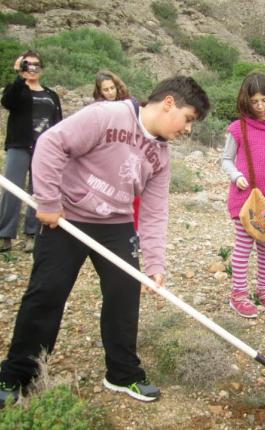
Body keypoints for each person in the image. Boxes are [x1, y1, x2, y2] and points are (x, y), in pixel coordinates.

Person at [0, 76, 210, 408]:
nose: (187, 129)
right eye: (188, 119)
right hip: (68, 218)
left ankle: (122, 373)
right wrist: (49, 202)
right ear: (169, 103)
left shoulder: (162, 156)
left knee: (124, 297)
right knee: (46, 294)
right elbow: (52, 144)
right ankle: (17, 374)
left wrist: (154, 263)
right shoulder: (106, 115)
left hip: (116, 225)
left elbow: (155, 213)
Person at [222, 71, 265, 318]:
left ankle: (264, 290)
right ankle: (238, 294)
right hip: (245, 201)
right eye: (254, 101)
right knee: (243, 248)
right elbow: (226, 159)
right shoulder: (237, 128)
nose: (260, 106)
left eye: (264, 100)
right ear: (246, 101)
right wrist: (236, 176)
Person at [0, 51, 62, 253]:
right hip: (19, 145)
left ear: (42, 68)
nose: (32, 68)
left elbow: (59, 124)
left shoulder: (51, 95)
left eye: (36, 65)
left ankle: (32, 235)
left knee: (38, 191)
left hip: (44, 151)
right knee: (12, 189)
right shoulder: (17, 89)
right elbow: (7, 102)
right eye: (28, 65)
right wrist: (19, 76)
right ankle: (5, 235)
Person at [92, 70, 141, 230]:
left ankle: (134, 230)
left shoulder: (131, 104)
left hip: (130, 151)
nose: (110, 92)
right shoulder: (97, 108)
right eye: (105, 90)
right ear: (100, 91)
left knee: (134, 192)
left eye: (112, 88)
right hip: (107, 153)